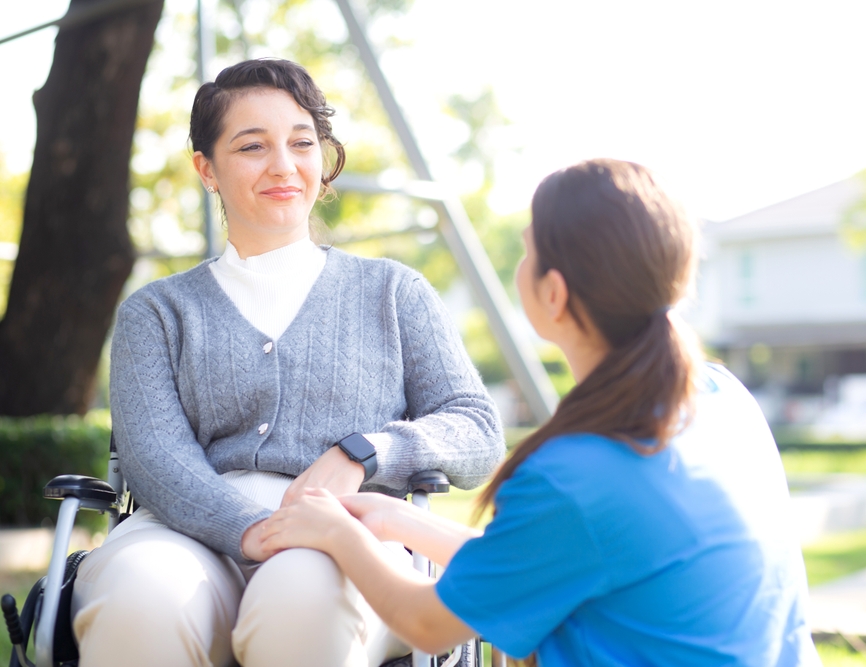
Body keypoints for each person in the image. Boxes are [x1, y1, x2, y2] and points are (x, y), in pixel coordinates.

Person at [260, 158, 821, 666]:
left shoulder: (578, 472)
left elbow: (428, 624)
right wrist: (395, 521)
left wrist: (339, 534)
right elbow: (541, 560)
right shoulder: (723, 400)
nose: (520, 264)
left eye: (528, 250)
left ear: (553, 293)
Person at [70, 58, 505, 667]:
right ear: (207, 169)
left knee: (304, 601)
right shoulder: (156, 312)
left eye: (302, 143)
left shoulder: (393, 292)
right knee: (141, 601)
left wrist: (364, 451)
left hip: (347, 537)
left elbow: (477, 429)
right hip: (183, 532)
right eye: (252, 146)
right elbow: (155, 458)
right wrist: (254, 530)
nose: (283, 165)